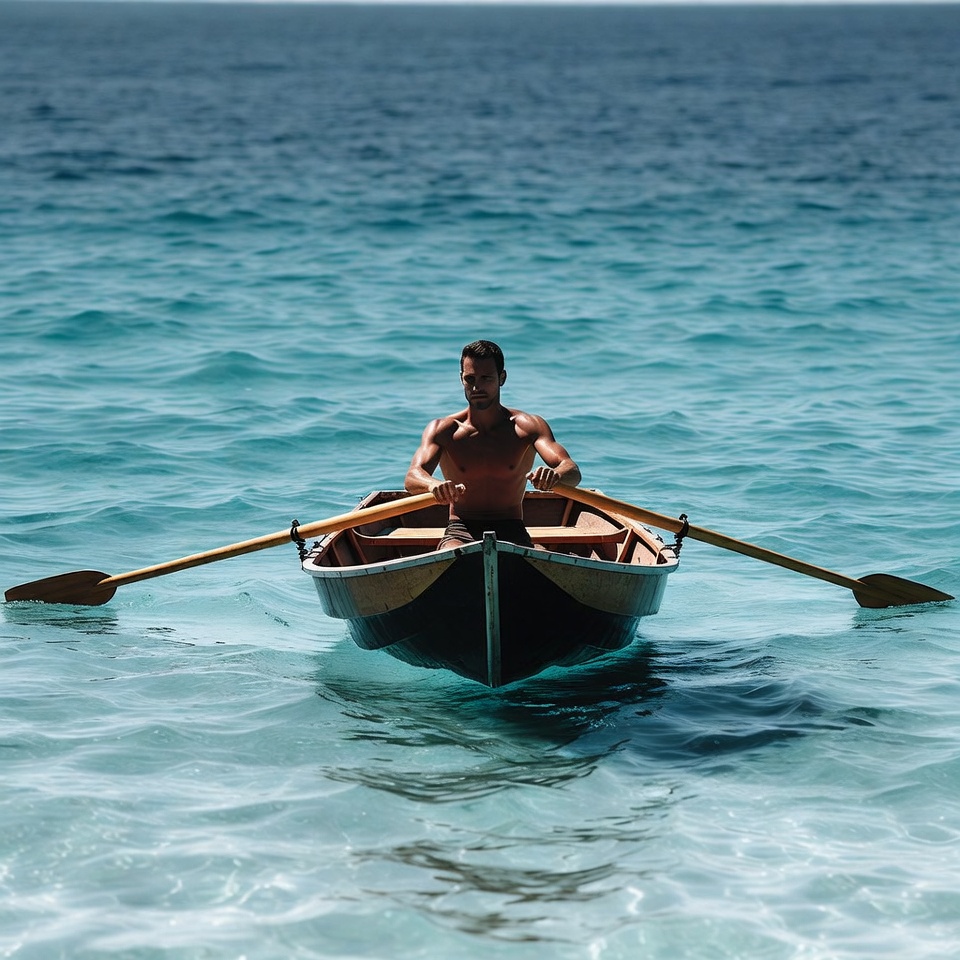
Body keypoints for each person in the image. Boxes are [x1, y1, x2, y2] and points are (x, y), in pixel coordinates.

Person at [404, 340, 582, 549]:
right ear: (461, 379)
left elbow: (572, 471)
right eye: (470, 379)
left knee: (525, 558)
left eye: (485, 378)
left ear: (502, 378)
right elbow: (411, 478)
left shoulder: (527, 427)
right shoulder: (443, 430)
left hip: (511, 528)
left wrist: (555, 475)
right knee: (454, 553)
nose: (476, 387)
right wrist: (432, 484)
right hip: (460, 530)